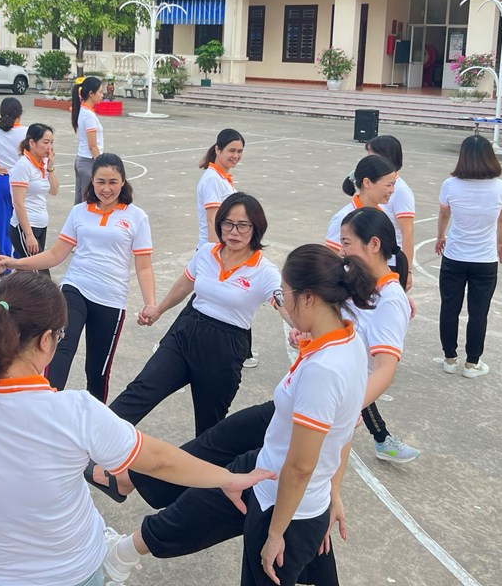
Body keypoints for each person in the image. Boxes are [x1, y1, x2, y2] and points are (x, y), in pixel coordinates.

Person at [0, 271, 274, 586]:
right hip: (75, 568)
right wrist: (226, 477)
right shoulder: (75, 411)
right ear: (47, 340)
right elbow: (160, 462)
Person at [101, 244, 374, 586]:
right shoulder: (349, 340)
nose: (283, 304)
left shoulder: (324, 369)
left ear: (308, 298)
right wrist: (333, 491)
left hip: (286, 506)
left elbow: (301, 467)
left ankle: (120, 553)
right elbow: (344, 429)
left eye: (285, 295)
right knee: (190, 512)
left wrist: (275, 533)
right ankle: (119, 555)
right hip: (264, 472)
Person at [109, 193, 280, 436]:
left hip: (225, 347)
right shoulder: (207, 252)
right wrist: (158, 309)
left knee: (209, 425)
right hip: (185, 332)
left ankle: (201, 462)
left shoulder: (265, 271)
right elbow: (184, 284)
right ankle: (91, 440)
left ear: (256, 228)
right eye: (228, 223)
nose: (234, 232)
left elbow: (283, 302)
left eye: (243, 225)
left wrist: (301, 328)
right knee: (141, 390)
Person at [0, 153, 154, 400]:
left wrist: (150, 303)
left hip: (111, 298)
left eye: (113, 182)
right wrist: (15, 262)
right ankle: (46, 405)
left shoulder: (136, 217)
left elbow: (144, 267)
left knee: (97, 371)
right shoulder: (79, 212)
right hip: (75, 287)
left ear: (123, 182)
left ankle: (94, 417)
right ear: (92, 181)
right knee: (60, 350)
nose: (106, 188)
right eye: (100, 182)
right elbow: (56, 254)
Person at [338, 207, 419, 464]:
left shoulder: (390, 300)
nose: (341, 251)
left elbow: (384, 368)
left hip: (339, 396)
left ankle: (382, 440)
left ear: (374, 244)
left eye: (346, 243)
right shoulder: (359, 281)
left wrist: (350, 409)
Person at [436, 135, 502, 378]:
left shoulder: (450, 185)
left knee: (450, 307)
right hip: (485, 259)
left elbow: (444, 214)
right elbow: (501, 220)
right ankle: (472, 363)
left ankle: (449, 358)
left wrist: (440, 236)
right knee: (478, 312)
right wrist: (501, 243)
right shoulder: (501, 187)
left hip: (455, 256)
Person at [196, 129, 258, 369]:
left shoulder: (222, 177)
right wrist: (218, 254)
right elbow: (213, 219)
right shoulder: (213, 179)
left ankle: (245, 351)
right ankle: (170, 343)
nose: (236, 155)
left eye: (240, 151)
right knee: (203, 300)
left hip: (223, 250)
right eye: (231, 150)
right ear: (218, 149)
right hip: (215, 250)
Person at [366, 135, 416, 290]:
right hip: (372, 257)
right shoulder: (374, 185)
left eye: (372, 155)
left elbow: (407, 233)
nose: (367, 160)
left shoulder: (400, 191)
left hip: (390, 262)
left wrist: (407, 270)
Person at [8, 123, 59, 266]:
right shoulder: (23, 166)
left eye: (51, 142)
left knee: (28, 273)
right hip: (25, 226)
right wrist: (29, 235)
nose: (49, 147)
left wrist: (50, 167)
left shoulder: (43, 164)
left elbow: (54, 191)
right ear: (32, 143)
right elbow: (18, 203)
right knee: (38, 272)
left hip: (41, 224)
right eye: (45, 142)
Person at [325, 154, 397, 253]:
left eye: (393, 184)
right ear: (367, 183)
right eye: (388, 185)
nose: (392, 190)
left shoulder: (382, 214)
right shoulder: (344, 219)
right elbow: (332, 257)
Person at [0, 97, 29, 257]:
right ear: (20, 113)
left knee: (2, 222)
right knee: (22, 222)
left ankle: (3, 262)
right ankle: (20, 260)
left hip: (1, 179)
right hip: (20, 181)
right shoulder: (26, 132)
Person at [72, 76, 104, 204]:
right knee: (88, 203)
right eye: (100, 92)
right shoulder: (89, 115)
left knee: (81, 201)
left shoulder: (83, 110)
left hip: (82, 159)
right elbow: (93, 146)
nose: (102, 95)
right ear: (91, 94)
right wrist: (101, 163)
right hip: (88, 161)